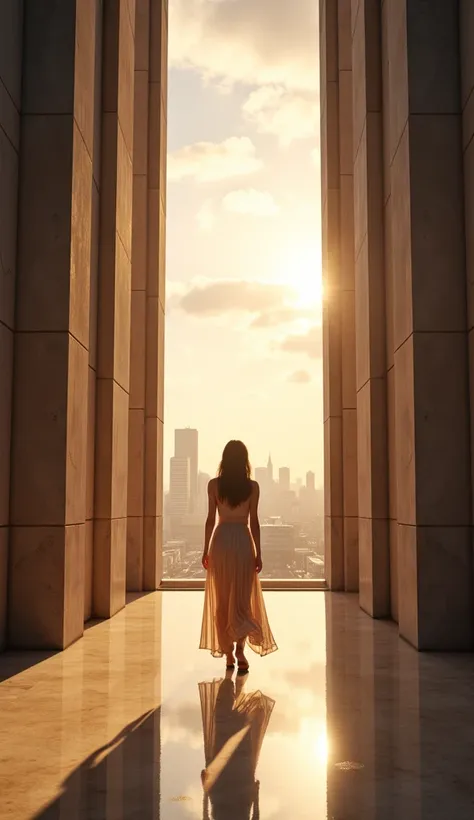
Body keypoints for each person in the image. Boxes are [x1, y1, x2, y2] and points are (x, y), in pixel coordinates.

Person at [199, 440, 278, 671]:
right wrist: (259, 552)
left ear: (224, 459)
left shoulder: (214, 485)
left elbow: (210, 520)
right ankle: (241, 652)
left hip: (221, 542)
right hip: (243, 542)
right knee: (242, 601)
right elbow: (254, 521)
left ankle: (228, 656)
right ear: (245, 460)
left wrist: (205, 550)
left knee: (222, 601)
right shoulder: (252, 487)